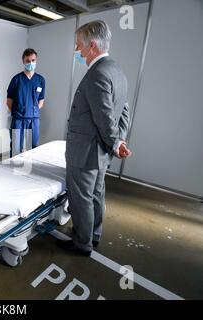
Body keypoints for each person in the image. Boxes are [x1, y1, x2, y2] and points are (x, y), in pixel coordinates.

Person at [58, 20, 132, 256]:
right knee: (97, 193)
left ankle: (82, 243)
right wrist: (118, 142)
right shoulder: (117, 71)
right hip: (100, 152)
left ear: (92, 46)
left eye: (79, 46)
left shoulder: (97, 74)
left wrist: (115, 142)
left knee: (81, 199)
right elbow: (123, 113)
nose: (77, 51)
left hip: (86, 152)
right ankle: (94, 234)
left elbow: (104, 118)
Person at [7, 48, 45, 157]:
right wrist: (19, 111)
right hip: (18, 119)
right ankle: (12, 170)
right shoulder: (16, 79)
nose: (30, 63)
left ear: (36, 61)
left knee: (32, 147)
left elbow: (41, 101)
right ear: (23, 61)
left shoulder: (40, 80)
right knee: (15, 148)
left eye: (33, 60)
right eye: (28, 61)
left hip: (33, 119)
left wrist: (31, 112)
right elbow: (9, 101)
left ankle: (29, 171)